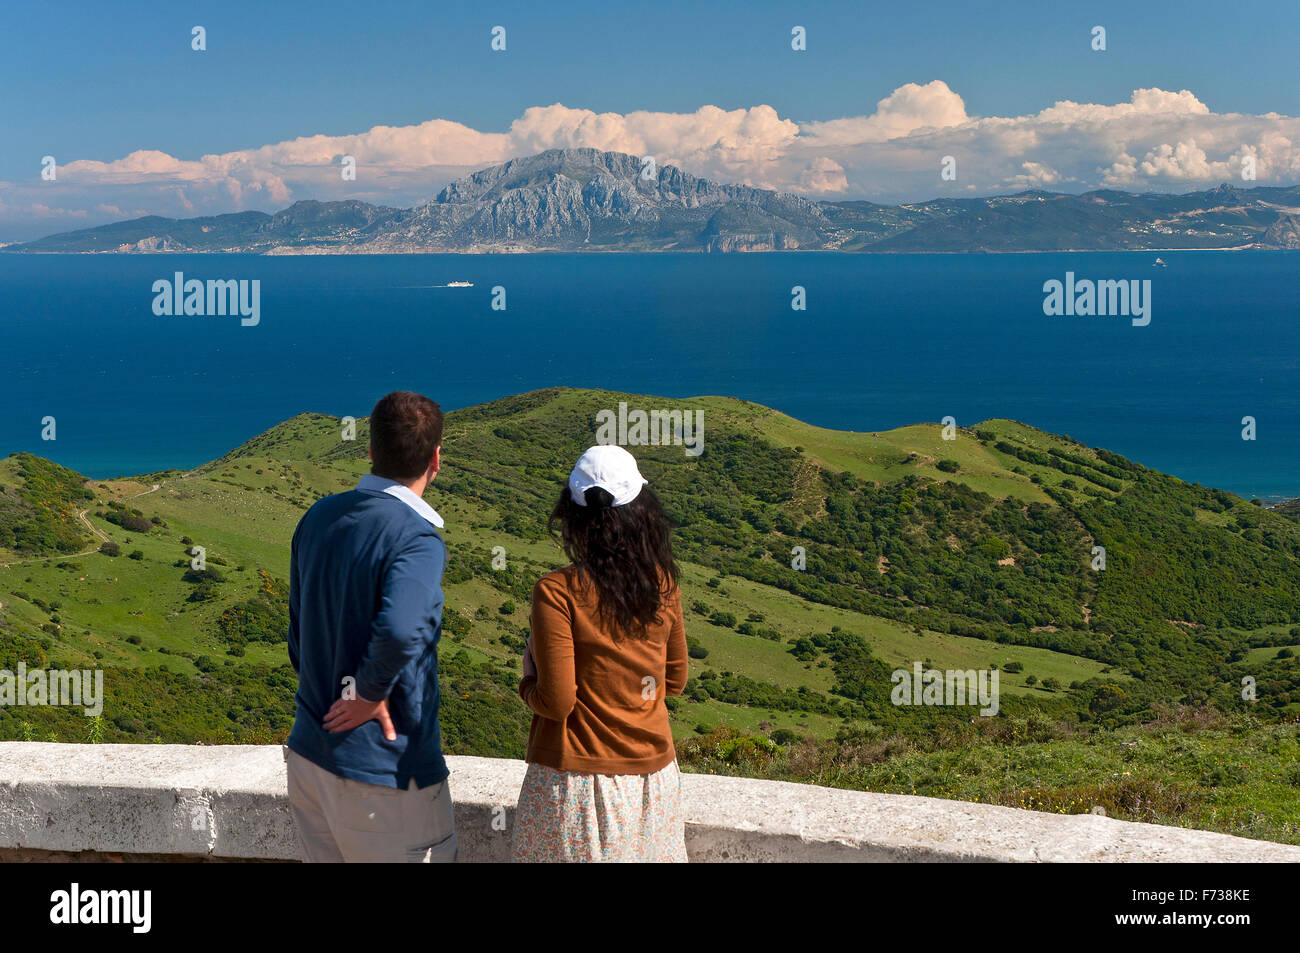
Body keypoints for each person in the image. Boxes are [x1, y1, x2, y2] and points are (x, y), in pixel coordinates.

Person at [284, 390, 457, 862]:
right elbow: (403, 629)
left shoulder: (318, 517)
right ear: (436, 459)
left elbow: (299, 642)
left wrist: (344, 690)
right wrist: (366, 692)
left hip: (309, 756)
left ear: (371, 451)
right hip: (384, 776)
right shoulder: (417, 538)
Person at [513, 444, 689, 862]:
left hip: (576, 787)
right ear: (642, 511)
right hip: (653, 782)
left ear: (572, 515)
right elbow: (675, 681)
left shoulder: (557, 592)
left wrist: (527, 683)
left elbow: (557, 702)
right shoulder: (663, 585)